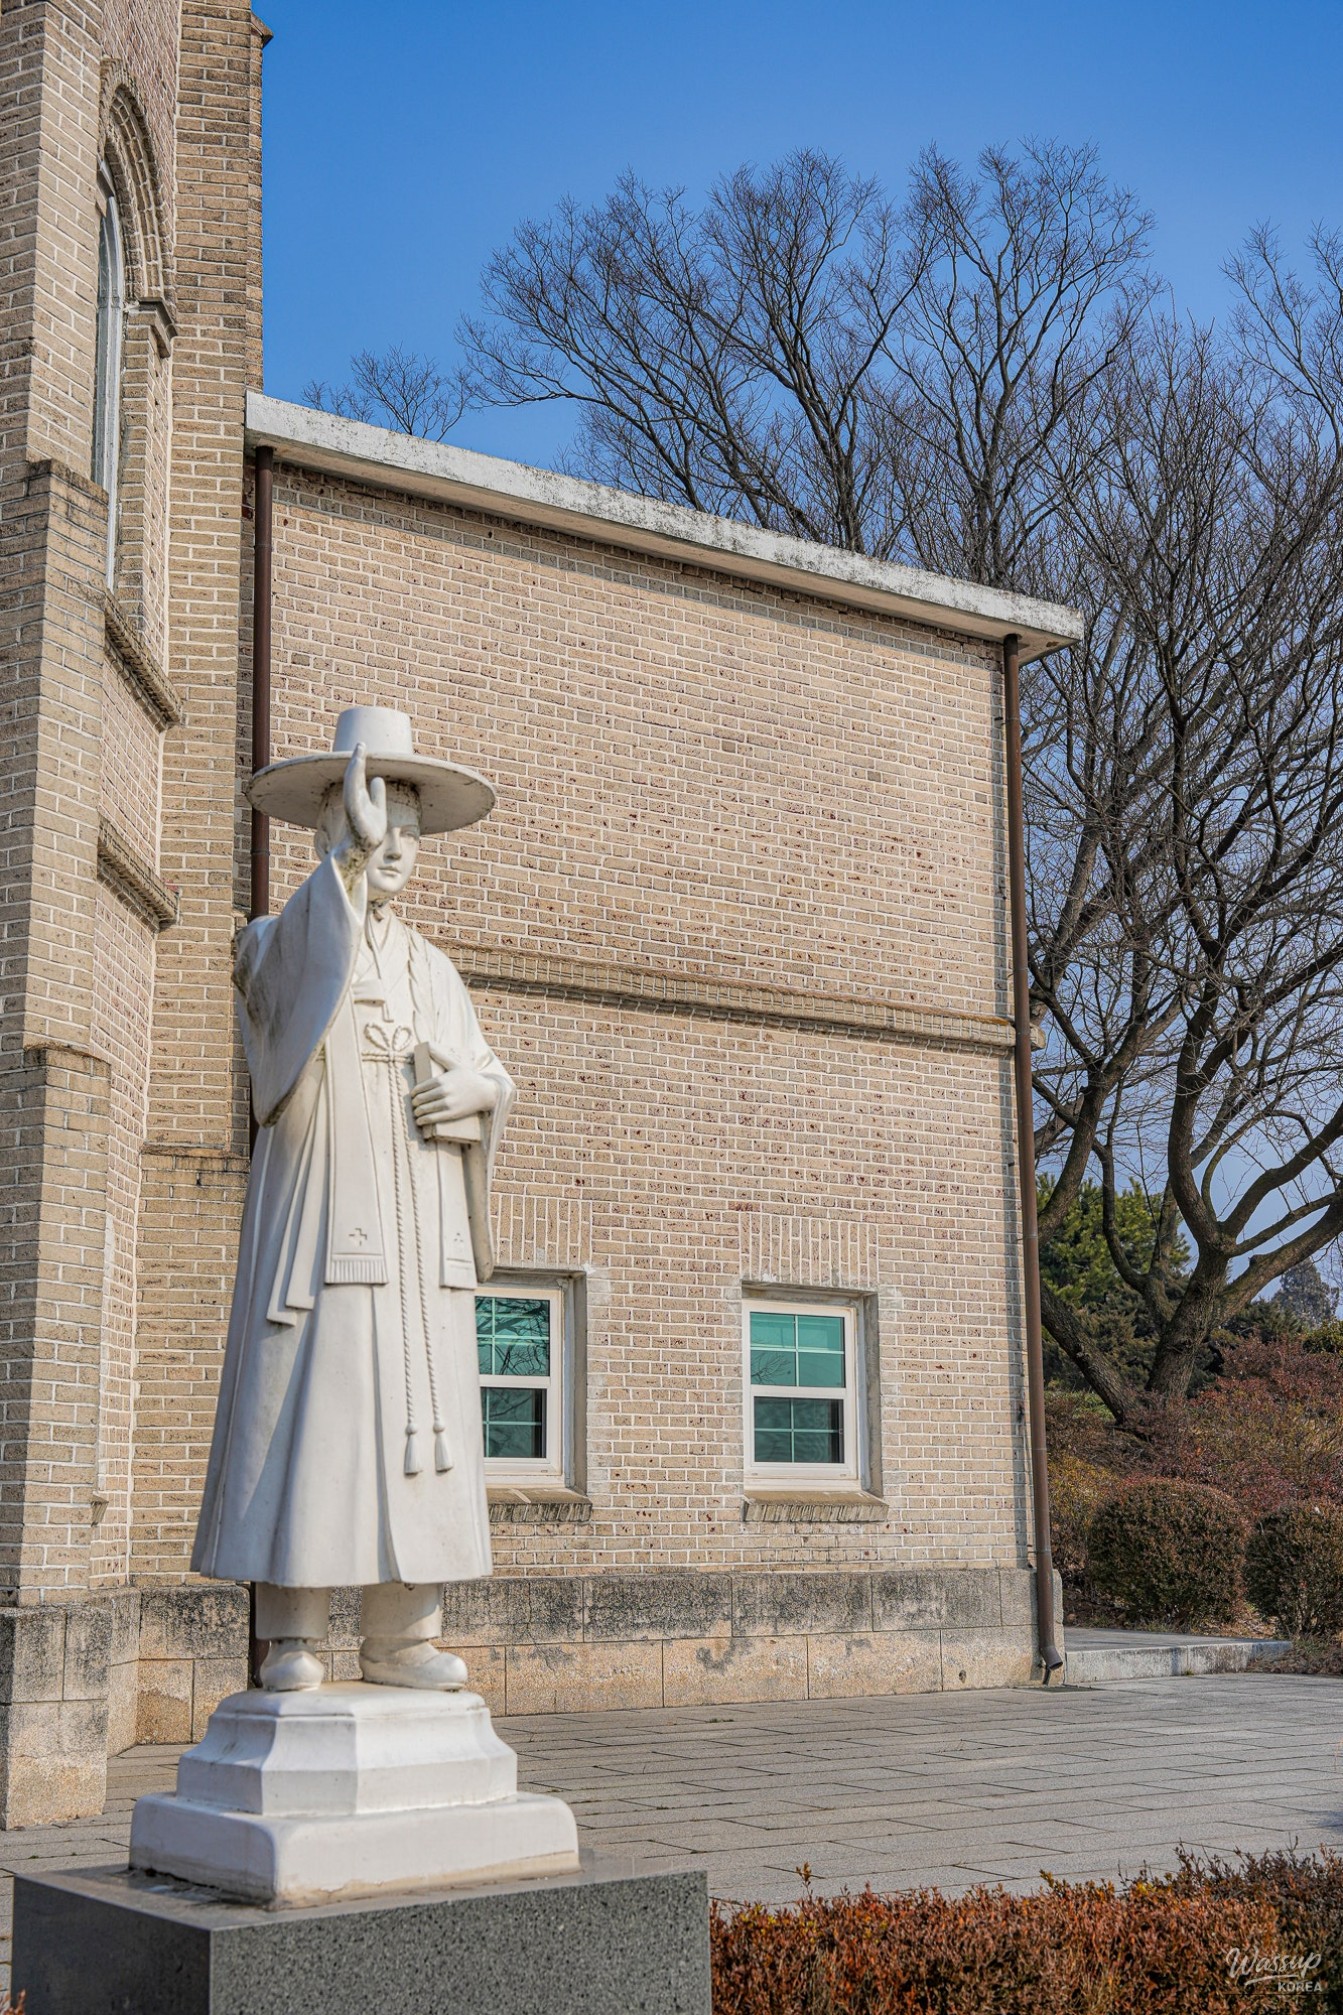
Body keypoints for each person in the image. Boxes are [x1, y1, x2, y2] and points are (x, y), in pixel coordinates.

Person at [192, 706, 513, 1691]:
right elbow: (286, 993)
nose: (395, 849)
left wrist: (478, 1096)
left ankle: (402, 1635)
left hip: (421, 1229)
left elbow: (490, 1072)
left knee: (421, 1423)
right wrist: (339, 874)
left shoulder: (433, 967)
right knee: (316, 1418)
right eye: (373, 825)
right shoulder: (274, 940)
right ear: (327, 830)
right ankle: (291, 1634)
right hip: (327, 1221)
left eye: (409, 833)